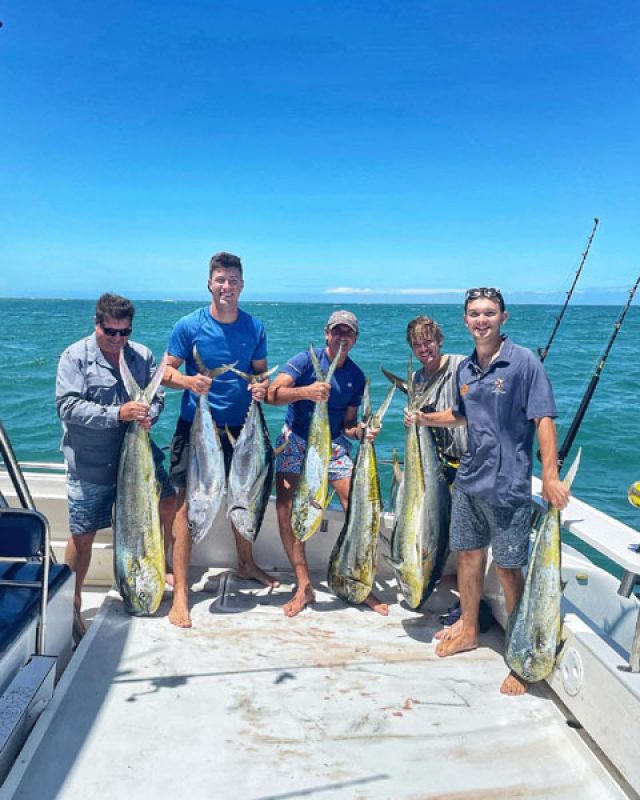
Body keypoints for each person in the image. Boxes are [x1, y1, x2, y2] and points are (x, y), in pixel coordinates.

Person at [405, 287, 569, 695]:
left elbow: (543, 419)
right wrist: (424, 419)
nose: (482, 320)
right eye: (475, 314)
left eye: (489, 313)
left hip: (509, 484)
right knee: (469, 557)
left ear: (503, 317)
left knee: (509, 569)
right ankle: (470, 630)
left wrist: (549, 476)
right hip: (469, 480)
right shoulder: (466, 370)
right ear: (465, 320)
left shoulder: (523, 362)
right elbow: (460, 416)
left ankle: (518, 654)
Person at [162, 251, 278, 629]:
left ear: (242, 286)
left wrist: (260, 389)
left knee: (243, 496)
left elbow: (260, 374)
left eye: (232, 280)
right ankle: (181, 592)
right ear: (209, 284)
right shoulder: (188, 326)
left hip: (243, 432)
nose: (226, 287)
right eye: (220, 280)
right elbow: (165, 373)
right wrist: (190, 382)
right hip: (196, 427)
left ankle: (246, 564)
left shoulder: (255, 328)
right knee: (186, 503)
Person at [56, 293, 176, 624]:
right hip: (91, 461)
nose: (118, 340)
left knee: (169, 504)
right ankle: (72, 602)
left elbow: (159, 397)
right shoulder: (74, 357)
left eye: (124, 332)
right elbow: (66, 405)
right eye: (111, 332)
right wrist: (119, 413)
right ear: (97, 325)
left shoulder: (143, 356)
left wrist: (149, 411)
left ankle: (158, 564)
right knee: (83, 534)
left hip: (139, 457)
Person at [267, 310, 388, 618]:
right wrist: (307, 392)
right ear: (326, 334)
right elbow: (273, 393)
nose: (342, 337)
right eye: (337, 331)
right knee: (286, 506)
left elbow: (348, 425)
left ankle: (360, 580)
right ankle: (304, 585)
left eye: (348, 333)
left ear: (355, 338)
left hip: (332, 444)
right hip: (296, 439)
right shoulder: (305, 361)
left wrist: (361, 431)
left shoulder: (356, 377)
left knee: (361, 507)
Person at [405, 315, 468, 610]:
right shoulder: (417, 379)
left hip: (469, 462)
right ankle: (445, 576)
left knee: (464, 534)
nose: (423, 348)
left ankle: (469, 594)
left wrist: (423, 418)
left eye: (428, 341)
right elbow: (421, 424)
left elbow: (464, 412)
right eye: (417, 344)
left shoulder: (462, 366)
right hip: (438, 465)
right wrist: (413, 422)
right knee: (438, 526)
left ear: (439, 340)